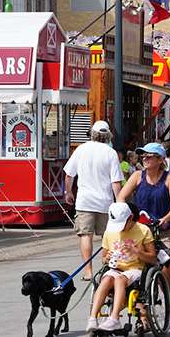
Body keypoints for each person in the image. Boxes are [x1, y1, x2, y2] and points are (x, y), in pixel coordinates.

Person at [118, 142, 170, 325]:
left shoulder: (169, 178)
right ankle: (144, 318)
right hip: (141, 232)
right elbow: (121, 197)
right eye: (142, 156)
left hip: (164, 232)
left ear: (160, 159)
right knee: (138, 276)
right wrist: (125, 214)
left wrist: (165, 218)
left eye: (148, 156)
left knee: (164, 275)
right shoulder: (138, 176)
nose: (144, 159)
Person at [64, 120, 124, 282]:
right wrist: (119, 201)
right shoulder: (110, 152)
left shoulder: (81, 149)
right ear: (108, 136)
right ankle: (110, 268)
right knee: (109, 235)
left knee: (85, 235)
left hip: (84, 201)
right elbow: (116, 181)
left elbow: (69, 174)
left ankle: (88, 272)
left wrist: (67, 192)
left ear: (92, 133)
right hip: (105, 202)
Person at [86, 202, 156, 333]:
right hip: (115, 268)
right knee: (106, 279)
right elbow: (103, 259)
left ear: (131, 217)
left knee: (120, 280)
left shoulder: (143, 230)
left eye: (123, 225)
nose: (121, 229)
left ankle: (114, 318)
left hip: (136, 269)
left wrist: (136, 251)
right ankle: (92, 318)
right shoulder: (109, 232)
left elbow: (152, 258)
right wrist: (107, 259)